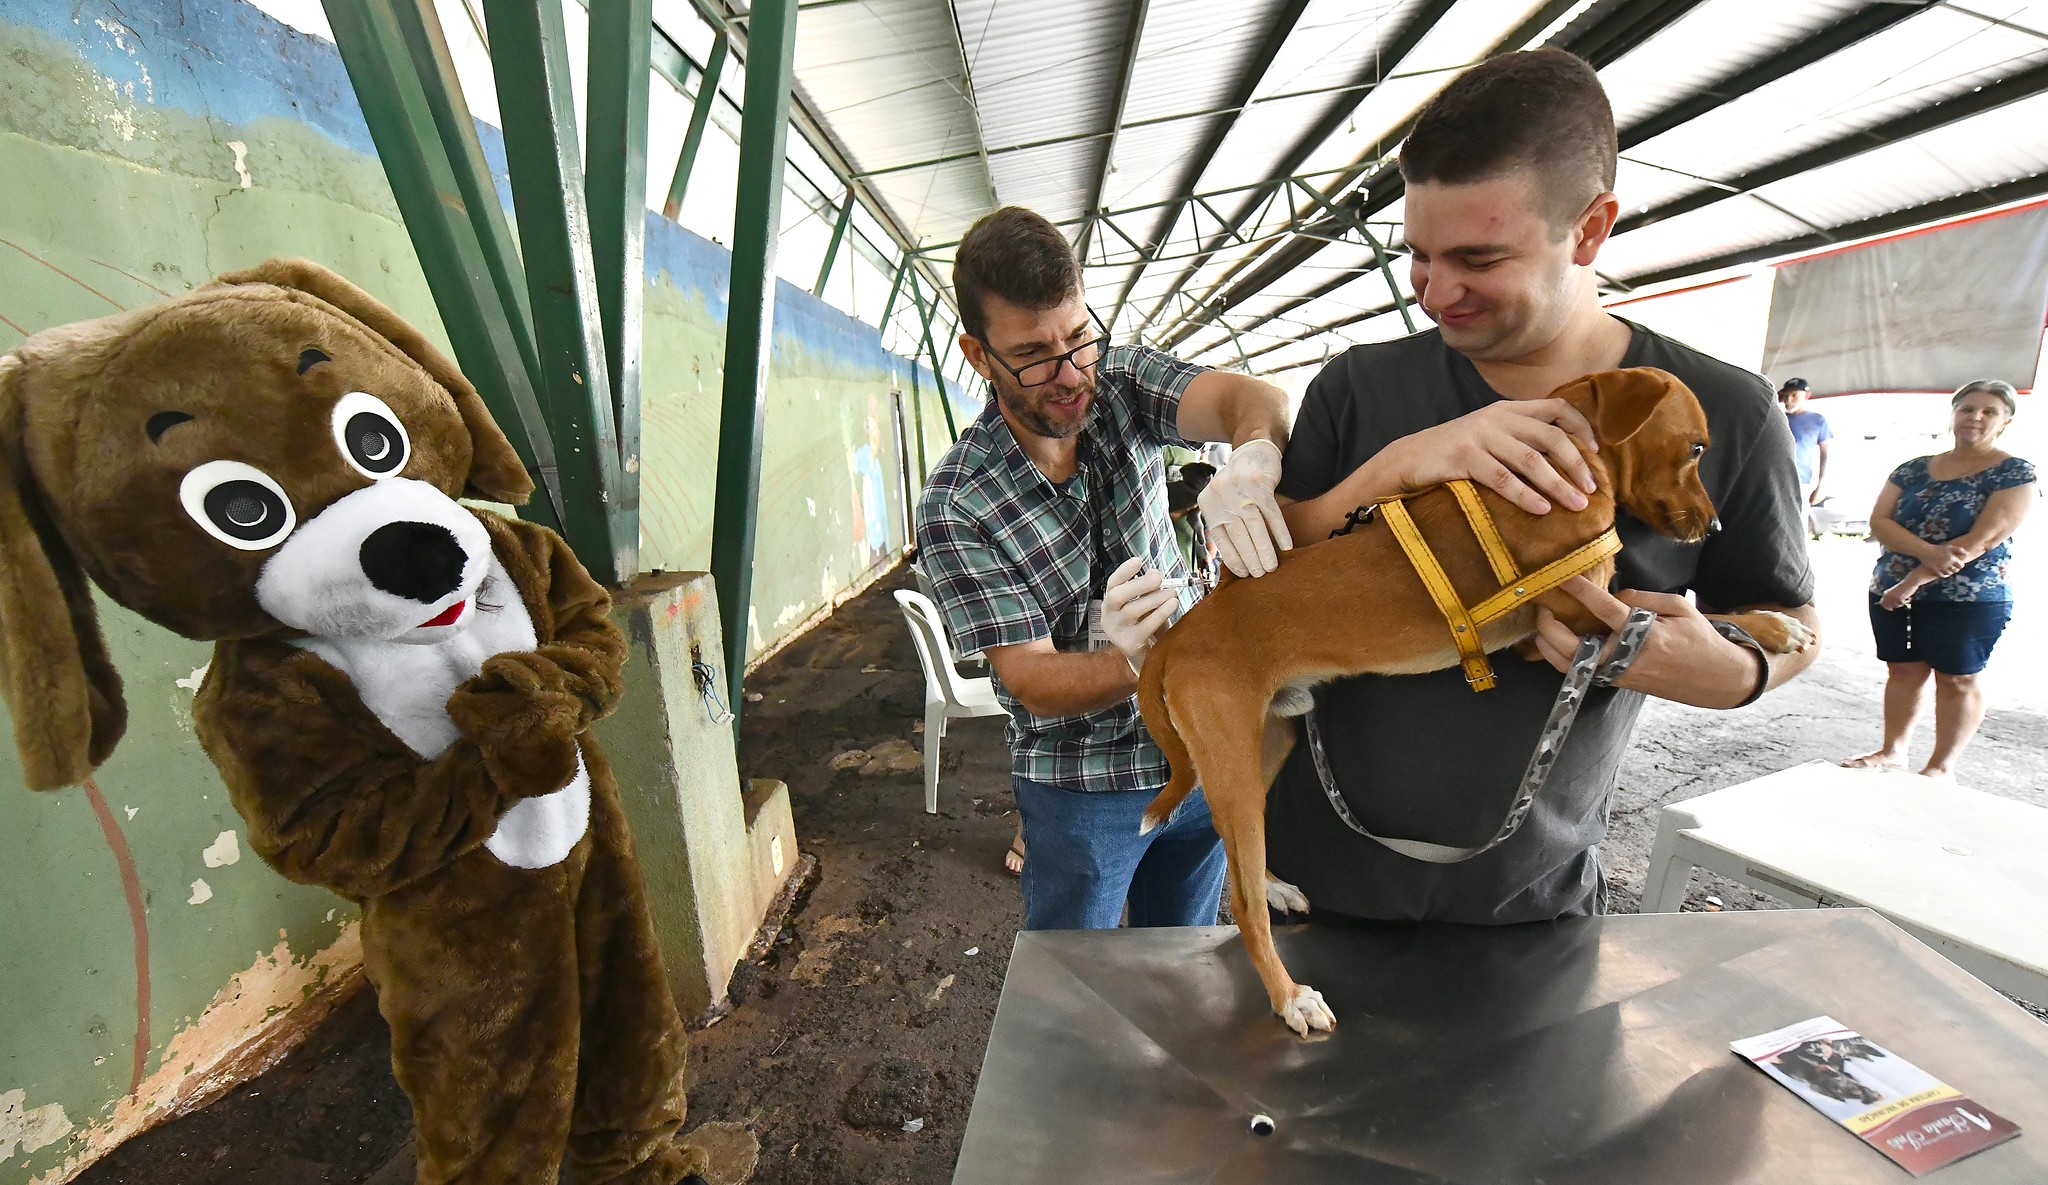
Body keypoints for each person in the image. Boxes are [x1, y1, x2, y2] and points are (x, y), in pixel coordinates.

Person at [1264, 48, 1823, 924]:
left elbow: (1792, 621)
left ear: (1591, 229)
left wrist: (1736, 669)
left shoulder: (1721, 412)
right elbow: (1267, 573)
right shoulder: (1361, 386)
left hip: (1534, 899)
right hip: (1311, 882)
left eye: (1479, 259)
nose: (1435, 293)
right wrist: (1391, 471)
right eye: (1418, 254)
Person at [915, 206, 1295, 931]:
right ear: (976, 354)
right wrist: (1137, 658)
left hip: (1195, 746)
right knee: (1075, 981)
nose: (1069, 376)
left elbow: (1257, 400)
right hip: (1083, 790)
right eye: (1033, 354)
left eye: (1079, 338)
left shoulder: (1120, 383)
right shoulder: (959, 504)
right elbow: (1030, 681)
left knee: (1182, 960)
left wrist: (1253, 452)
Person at [1843, 380, 2035, 780]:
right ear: (1953, 413)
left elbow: (1980, 541)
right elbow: (1880, 521)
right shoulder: (1913, 468)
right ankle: (1893, 751)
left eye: (1989, 412)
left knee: (1957, 678)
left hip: (1969, 594)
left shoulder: (2014, 473)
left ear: (2006, 422)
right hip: (1891, 587)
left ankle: (1940, 767)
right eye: (1967, 409)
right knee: (1903, 671)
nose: (1975, 418)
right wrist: (1926, 556)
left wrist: (1911, 582)